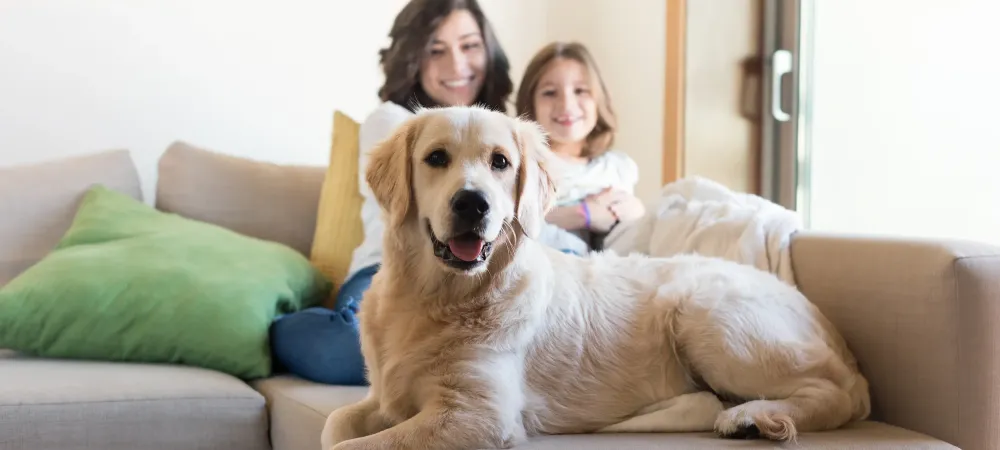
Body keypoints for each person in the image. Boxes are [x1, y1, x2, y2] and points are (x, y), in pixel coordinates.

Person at [269, 0, 584, 386]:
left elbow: (522, 224)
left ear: (489, 52)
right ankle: (280, 328)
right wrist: (583, 216)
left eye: (469, 46)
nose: (457, 64)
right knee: (357, 352)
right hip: (387, 272)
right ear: (412, 57)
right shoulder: (394, 121)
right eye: (437, 50)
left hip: (487, 279)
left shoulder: (503, 130)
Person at [515, 41, 646, 248]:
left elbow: (634, 233)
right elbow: (510, 227)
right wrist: (582, 214)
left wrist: (637, 211)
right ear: (530, 103)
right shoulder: (523, 166)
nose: (567, 105)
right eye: (550, 92)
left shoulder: (616, 167)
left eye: (580, 90)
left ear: (598, 100)